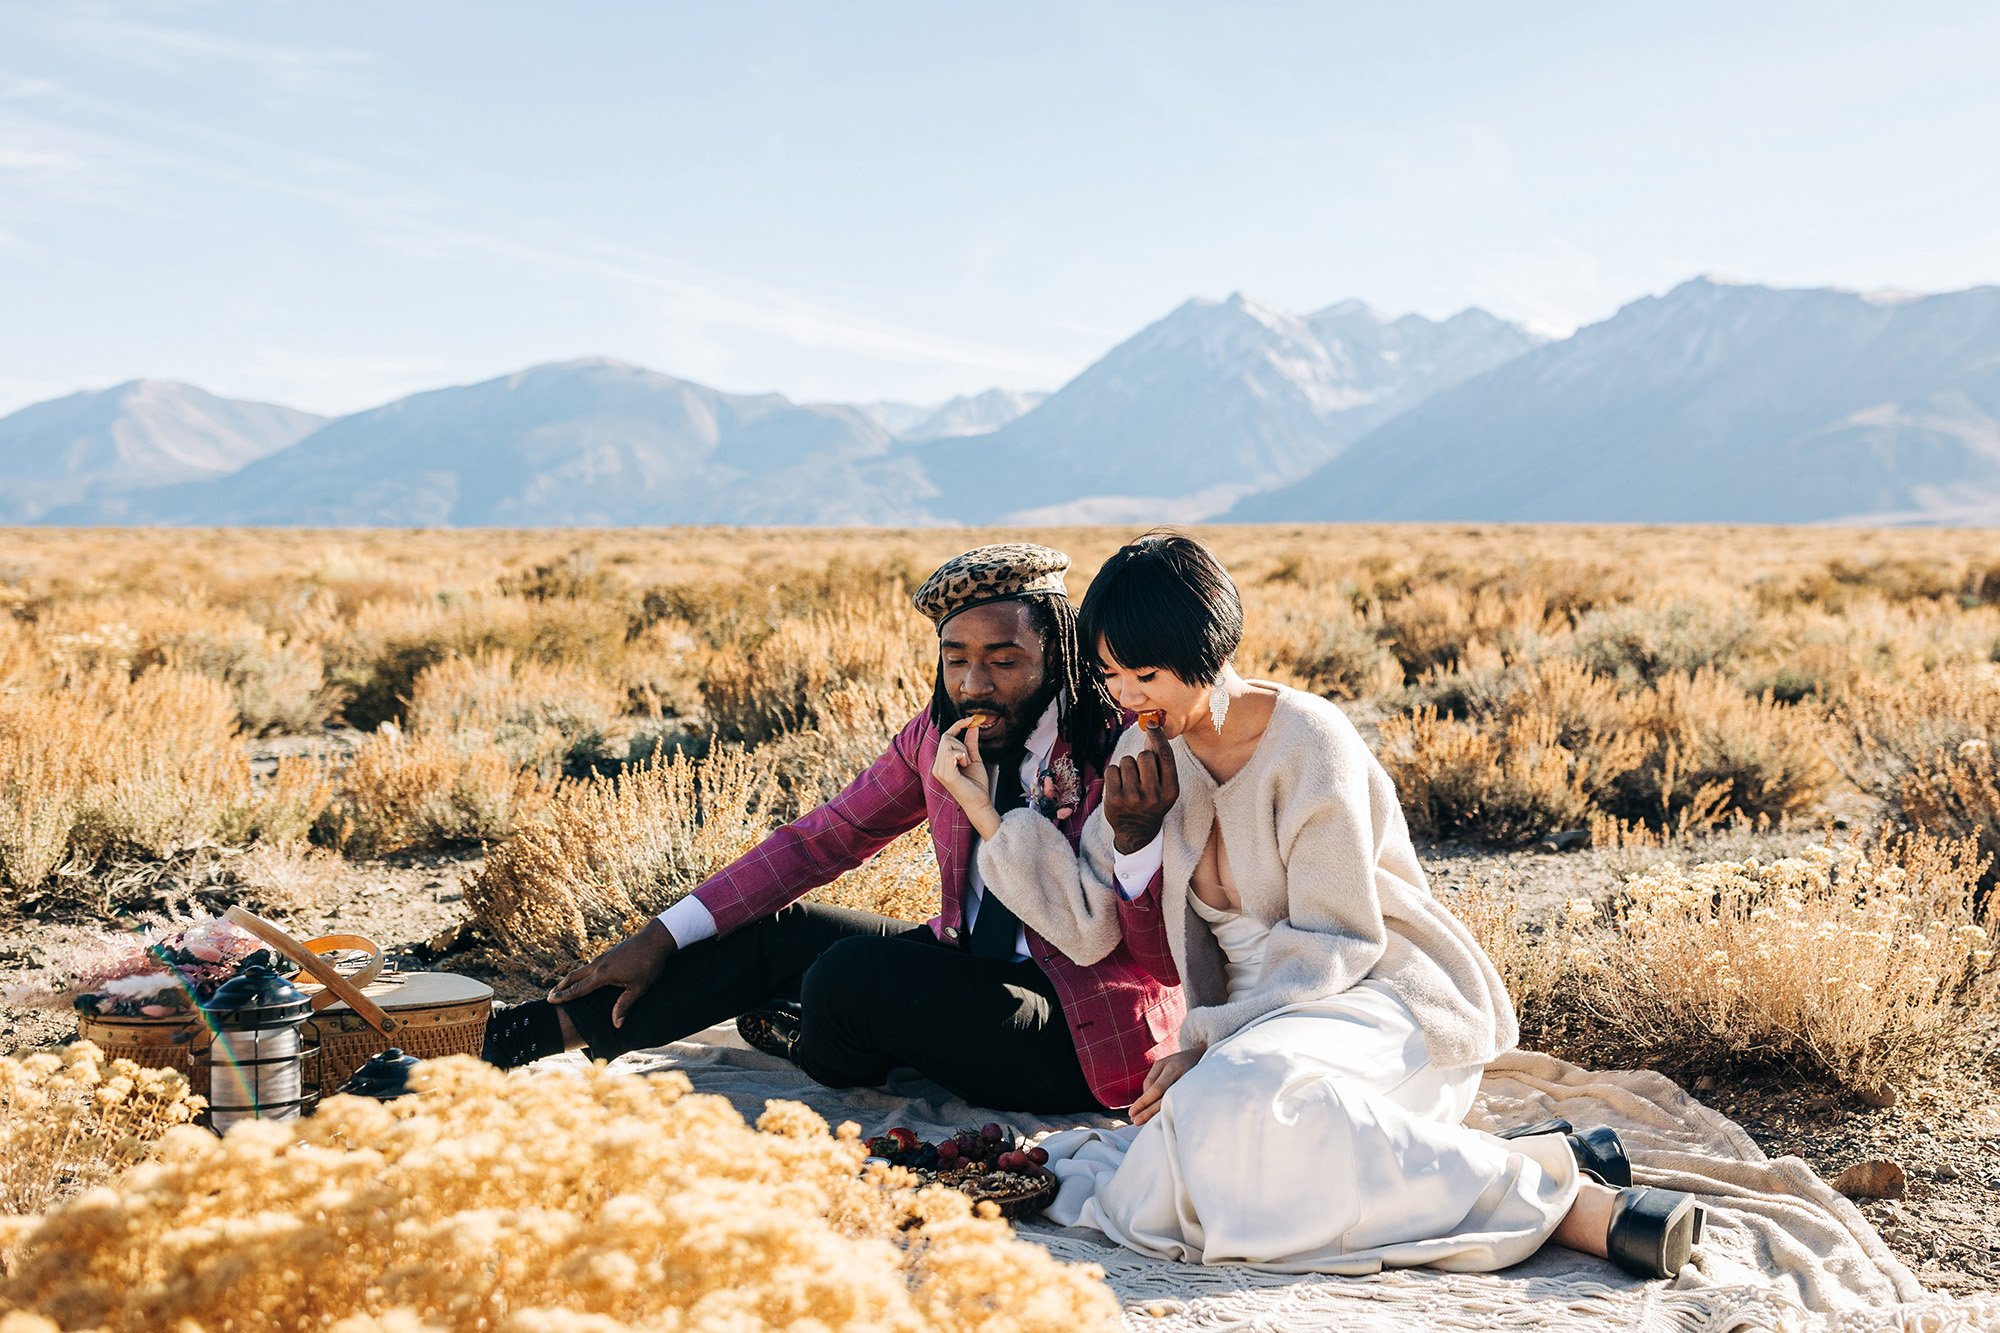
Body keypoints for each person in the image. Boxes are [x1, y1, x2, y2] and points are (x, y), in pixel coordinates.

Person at [948, 532, 1707, 1278]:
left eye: (1146, 674)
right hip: (1252, 1036)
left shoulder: (1310, 740)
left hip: (1380, 996)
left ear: (1209, 652)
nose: (1126, 697)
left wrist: (1207, 1040)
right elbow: (1087, 928)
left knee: (1231, 1107)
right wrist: (995, 815)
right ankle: (1523, 1157)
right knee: (1215, 1124)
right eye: (1112, 675)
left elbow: (1336, 940)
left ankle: (1568, 1202)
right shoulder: (1141, 752)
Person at [481, 542, 1185, 1114]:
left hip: (1072, 1024)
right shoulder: (934, 737)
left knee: (847, 980)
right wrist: (658, 936)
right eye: (956, 659)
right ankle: (517, 1037)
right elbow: (823, 839)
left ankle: (820, 1040)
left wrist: (1127, 837)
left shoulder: (1121, 746)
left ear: (1058, 655)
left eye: (1004, 661)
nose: (974, 684)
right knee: (781, 930)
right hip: (969, 969)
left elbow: (1150, 944)